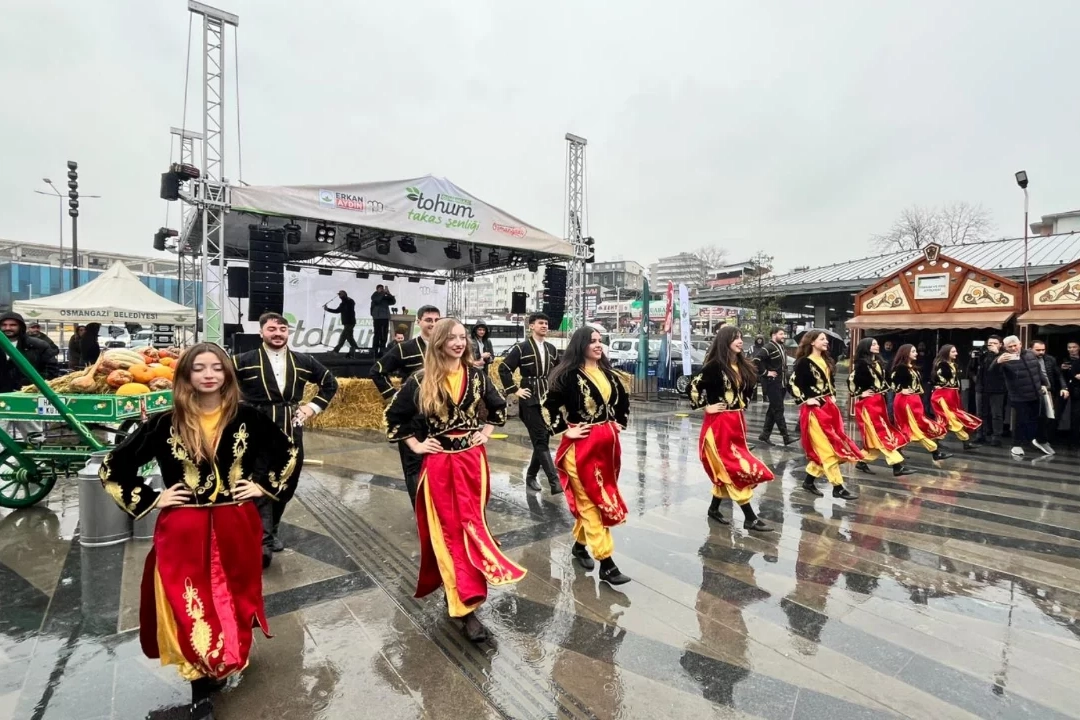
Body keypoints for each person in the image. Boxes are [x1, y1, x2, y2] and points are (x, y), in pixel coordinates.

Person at [98, 343, 297, 720]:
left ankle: (224, 657)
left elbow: (287, 452)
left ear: (227, 374)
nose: (209, 375)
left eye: (217, 368)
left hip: (236, 522)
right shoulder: (165, 423)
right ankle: (200, 685)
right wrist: (153, 498)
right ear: (186, 375)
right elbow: (113, 466)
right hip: (184, 527)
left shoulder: (247, 417)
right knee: (191, 603)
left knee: (235, 596)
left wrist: (262, 486)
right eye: (200, 368)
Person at [384, 318, 524, 643]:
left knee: (472, 528)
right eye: (452, 338)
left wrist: (484, 433)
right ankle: (464, 607)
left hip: (472, 463)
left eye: (463, 337)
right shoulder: (421, 379)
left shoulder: (476, 376)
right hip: (439, 466)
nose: (460, 343)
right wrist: (416, 444)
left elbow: (498, 408)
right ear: (439, 342)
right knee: (449, 533)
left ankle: (464, 593)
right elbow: (394, 417)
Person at [233, 313, 338, 568]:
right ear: (261, 332)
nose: (278, 333)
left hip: (291, 426)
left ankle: (273, 528)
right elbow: (223, 386)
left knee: (287, 479)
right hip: (256, 427)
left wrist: (311, 408)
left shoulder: (303, 360)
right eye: (272, 329)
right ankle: (262, 542)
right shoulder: (241, 360)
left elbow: (330, 383)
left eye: (282, 329)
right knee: (258, 478)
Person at [543, 326, 632, 585]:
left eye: (600, 341)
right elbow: (547, 405)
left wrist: (618, 422)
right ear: (580, 344)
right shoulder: (567, 375)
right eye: (592, 341)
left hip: (606, 448)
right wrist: (565, 430)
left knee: (600, 495)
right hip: (580, 448)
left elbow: (622, 400)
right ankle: (606, 563)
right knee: (590, 501)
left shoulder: (609, 374)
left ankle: (580, 546)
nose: (597, 345)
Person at [687, 326, 774, 531]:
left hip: (736, 423)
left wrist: (743, 403)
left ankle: (714, 509)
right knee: (731, 468)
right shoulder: (715, 366)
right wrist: (706, 406)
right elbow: (693, 386)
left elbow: (749, 388)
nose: (740, 341)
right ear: (725, 341)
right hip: (718, 425)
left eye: (741, 337)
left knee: (727, 468)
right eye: (736, 338)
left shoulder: (743, 365)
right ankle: (750, 518)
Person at [372, 305, 441, 506]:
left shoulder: (445, 346)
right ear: (419, 322)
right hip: (413, 416)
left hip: (441, 415)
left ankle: (437, 509)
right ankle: (420, 510)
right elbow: (377, 371)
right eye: (428, 320)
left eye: (437, 320)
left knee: (438, 464)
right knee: (413, 466)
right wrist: (394, 397)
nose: (433, 324)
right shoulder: (404, 348)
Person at [788, 330, 862, 499]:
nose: (826, 342)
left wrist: (832, 394)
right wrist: (806, 399)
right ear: (812, 342)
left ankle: (808, 482)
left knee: (832, 443)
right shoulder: (804, 362)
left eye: (826, 339)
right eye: (822, 339)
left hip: (828, 407)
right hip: (813, 411)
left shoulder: (827, 360)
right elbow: (792, 383)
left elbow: (830, 382)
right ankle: (838, 487)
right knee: (827, 449)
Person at [498, 313, 560, 494]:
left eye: (546, 323)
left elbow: (559, 369)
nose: (544, 326)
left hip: (546, 398)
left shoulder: (551, 348)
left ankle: (531, 476)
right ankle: (554, 481)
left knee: (543, 438)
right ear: (531, 326)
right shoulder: (521, 347)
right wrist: (514, 389)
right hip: (529, 398)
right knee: (540, 437)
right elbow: (504, 368)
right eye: (541, 323)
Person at [847, 337, 914, 477]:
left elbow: (887, 380)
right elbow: (851, 380)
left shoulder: (878, 363)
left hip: (879, 402)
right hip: (868, 404)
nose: (877, 346)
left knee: (878, 435)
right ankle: (897, 466)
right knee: (881, 434)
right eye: (874, 344)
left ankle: (862, 461)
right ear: (866, 347)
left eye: (877, 344)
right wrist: (859, 393)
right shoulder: (862, 365)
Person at [890, 344, 950, 460]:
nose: (916, 353)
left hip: (914, 399)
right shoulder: (900, 368)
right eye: (913, 351)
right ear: (906, 353)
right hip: (905, 401)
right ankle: (934, 451)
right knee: (915, 426)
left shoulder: (912, 367)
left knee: (909, 426)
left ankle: (897, 449)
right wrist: (900, 389)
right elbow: (892, 382)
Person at [997, 335, 1052, 457]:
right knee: (1020, 421)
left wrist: (1046, 385)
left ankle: (1038, 441)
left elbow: (1038, 371)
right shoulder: (1004, 358)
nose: (1013, 348)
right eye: (1010, 346)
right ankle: (1016, 445)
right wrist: (998, 362)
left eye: (1015, 345)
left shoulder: (1030, 354)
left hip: (1036, 393)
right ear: (1005, 347)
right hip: (1019, 396)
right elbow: (992, 372)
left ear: (1020, 344)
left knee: (1039, 418)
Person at [931, 345, 982, 451]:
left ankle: (936, 440)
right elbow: (939, 379)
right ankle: (965, 441)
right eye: (953, 352)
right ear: (947, 353)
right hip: (943, 395)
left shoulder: (952, 364)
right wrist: (939, 385)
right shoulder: (942, 365)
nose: (956, 353)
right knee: (951, 418)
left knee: (946, 419)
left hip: (951, 394)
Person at [754, 327, 795, 446]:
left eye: (784, 334)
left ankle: (764, 435)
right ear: (773, 335)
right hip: (772, 384)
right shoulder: (768, 347)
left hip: (781, 383)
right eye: (781, 334)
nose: (784, 336)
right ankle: (786, 437)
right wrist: (766, 373)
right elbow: (756, 360)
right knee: (778, 409)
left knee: (773, 409)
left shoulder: (781, 347)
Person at [0, 311, 60, 392]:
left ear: (21, 326)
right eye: (4, 325)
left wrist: (31, 385)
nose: (8, 328)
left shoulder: (39, 346)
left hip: (28, 394)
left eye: (13, 325)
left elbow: (51, 372)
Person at [1032, 340, 1068, 446]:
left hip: (1049, 390)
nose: (1041, 352)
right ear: (1031, 349)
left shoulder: (1050, 359)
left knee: (1051, 416)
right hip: (1034, 391)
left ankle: (1046, 439)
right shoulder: (1027, 359)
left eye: (1043, 350)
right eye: (1038, 350)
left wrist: (1064, 387)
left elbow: (1058, 374)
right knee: (1036, 416)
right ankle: (1035, 439)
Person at [977, 336, 1007, 446]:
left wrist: (996, 354)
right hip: (981, 387)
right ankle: (980, 435)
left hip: (997, 388)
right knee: (980, 413)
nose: (992, 345)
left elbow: (1001, 369)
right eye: (990, 343)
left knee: (996, 414)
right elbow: (975, 367)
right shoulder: (983, 354)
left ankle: (996, 437)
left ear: (1000, 345)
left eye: (995, 343)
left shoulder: (1003, 355)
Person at [324, 290, 359, 356]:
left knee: (343, 336)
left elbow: (348, 304)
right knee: (350, 338)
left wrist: (344, 298)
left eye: (341, 294)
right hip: (347, 323)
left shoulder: (350, 301)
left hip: (350, 322)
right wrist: (328, 309)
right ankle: (357, 350)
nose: (339, 295)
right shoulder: (343, 303)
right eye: (339, 294)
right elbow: (337, 310)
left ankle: (336, 351)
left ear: (345, 294)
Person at [369, 284, 396, 356]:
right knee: (377, 334)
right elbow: (377, 300)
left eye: (382, 288)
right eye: (380, 288)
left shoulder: (384, 297)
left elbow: (393, 302)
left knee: (384, 334)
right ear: (377, 289)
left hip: (385, 317)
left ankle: (382, 350)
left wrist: (389, 293)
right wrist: (383, 293)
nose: (382, 289)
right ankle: (374, 351)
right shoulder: (374, 296)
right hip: (377, 318)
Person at [1063, 342, 1080, 449]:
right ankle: (1073, 441)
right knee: (1074, 415)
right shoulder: (1065, 360)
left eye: (1074, 347)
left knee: (1076, 415)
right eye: (1069, 347)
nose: (1072, 349)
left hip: (1076, 390)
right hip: (1070, 390)